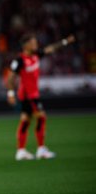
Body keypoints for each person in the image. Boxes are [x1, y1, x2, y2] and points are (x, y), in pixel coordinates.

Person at [7, 33, 75, 161]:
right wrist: (10, 93)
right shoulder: (19, 60)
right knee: (42, 117)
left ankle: (21, 151)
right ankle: (41, 149)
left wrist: (65, 41)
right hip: (29, 95)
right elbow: (10, 77)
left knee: (26, 120)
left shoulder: (37, 54)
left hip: (32, 94)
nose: (36, 44)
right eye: (33, 43)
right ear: (26, 45)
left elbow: (51, 48)